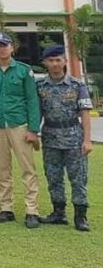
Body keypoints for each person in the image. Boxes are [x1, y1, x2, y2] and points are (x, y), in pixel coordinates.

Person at [0, 31, 41, 228]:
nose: (1, 49)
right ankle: (5, 208)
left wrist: (33, 129)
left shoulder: (24, 71)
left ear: (12, 47)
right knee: (2, 169)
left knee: (27, 168)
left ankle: (32, 210)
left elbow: (32, 100)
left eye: (4, 45)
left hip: (19, 123)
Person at [37, 44, 93, 232]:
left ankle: (80, 216)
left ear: (65, 61)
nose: (55, 64)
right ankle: (58, 212)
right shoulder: (40, 86)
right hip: (50, 137)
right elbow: (37, 112)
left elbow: (85, 112)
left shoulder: (77, 85)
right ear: (45, 62)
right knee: (53, 177)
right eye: (51, 60)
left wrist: (87, 140)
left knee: (78, 178)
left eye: (58, 60)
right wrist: (32, 132)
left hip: (73, 137)